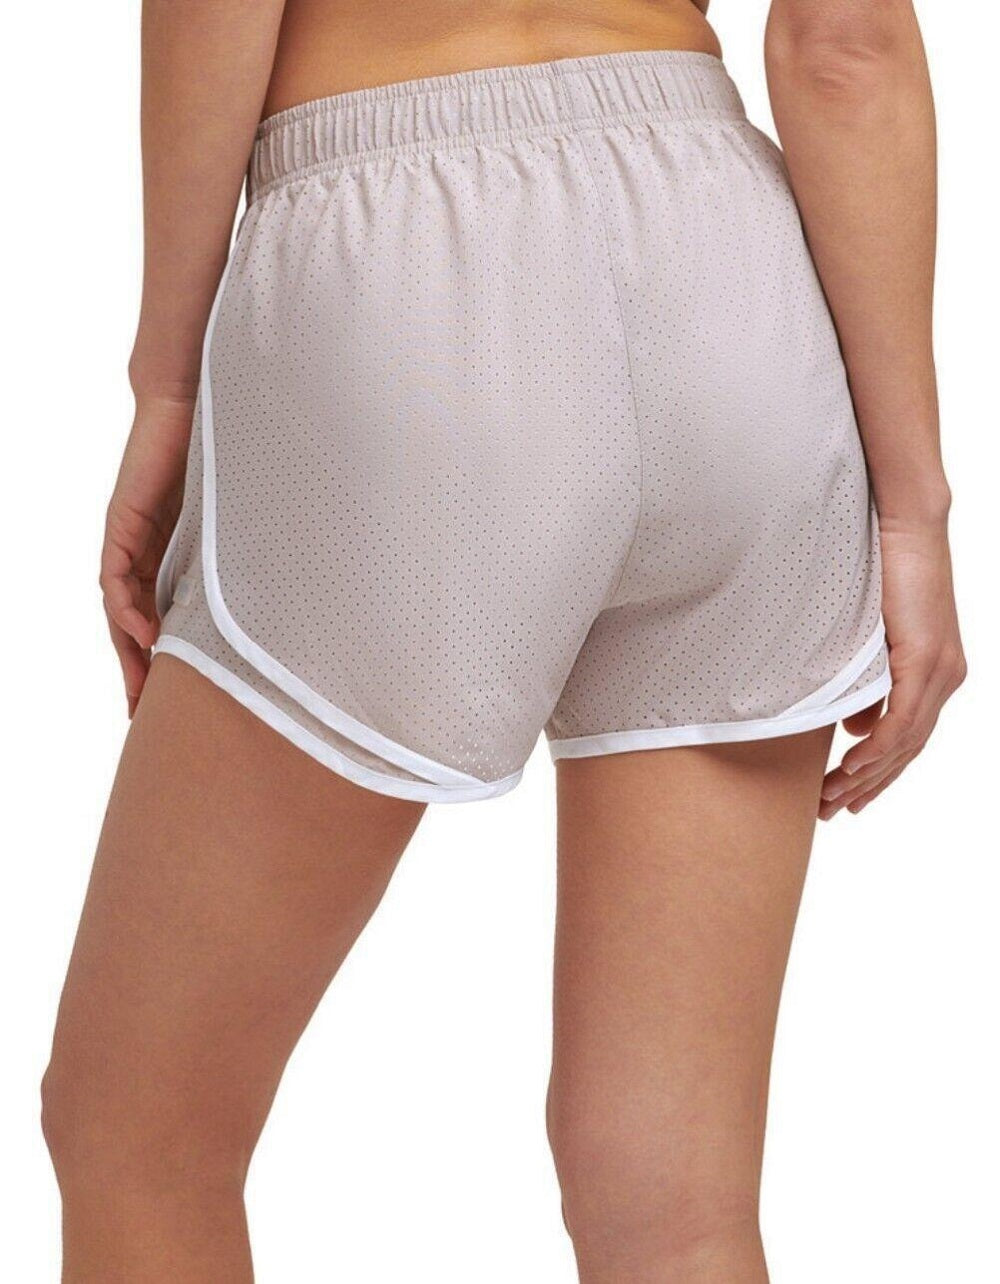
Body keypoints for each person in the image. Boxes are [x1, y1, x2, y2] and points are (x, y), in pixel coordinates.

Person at [42, 1, 965, 1280]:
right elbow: (844, 41)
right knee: (674, 1206)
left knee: (139, 1132)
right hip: (724, 259)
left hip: (406, 262)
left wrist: (166, 383)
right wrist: (912, 512)